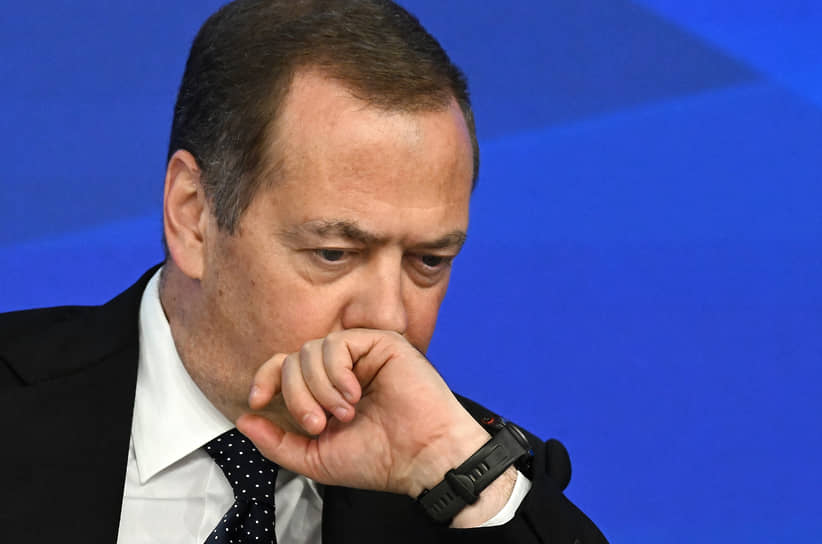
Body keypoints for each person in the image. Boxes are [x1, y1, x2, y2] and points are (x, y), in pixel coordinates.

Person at [0, 1, 607, 542]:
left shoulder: (479, 479)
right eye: (334, 253)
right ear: (193, 217)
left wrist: (464, 479)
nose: (388, 318)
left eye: (428, 261)